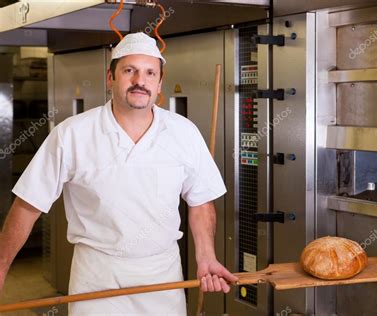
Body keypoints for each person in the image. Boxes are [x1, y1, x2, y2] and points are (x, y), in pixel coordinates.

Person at [0, 32, 237, 315]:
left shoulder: (183, 132)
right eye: (129, 70)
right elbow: (28, 204)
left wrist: (207, 257)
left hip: (161, 274)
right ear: (110, 77)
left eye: (150, 73)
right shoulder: (72, 134)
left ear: (159, 82)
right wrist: (1, 268)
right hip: (96, 275)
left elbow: (200, 202)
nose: (140, 80)